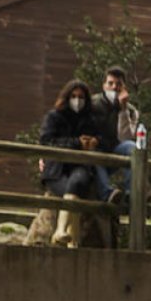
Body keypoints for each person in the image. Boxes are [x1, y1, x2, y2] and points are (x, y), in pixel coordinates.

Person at [40, 79, 100, 247]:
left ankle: (61, 232)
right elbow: (46, 141)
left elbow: (100, 140)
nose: (77, 100)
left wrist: (93, 142)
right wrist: (76, 143)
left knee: (77, 183)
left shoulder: (90, 120)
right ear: (67, 97)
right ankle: (71, 241)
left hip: (80, 167)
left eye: (81, 97)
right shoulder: (54, 117)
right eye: (73, 96)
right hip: (56, 170)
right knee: (71, 190)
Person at [89, 65, 140, 202]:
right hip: (94, 153)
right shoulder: (92, 104)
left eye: (118, 84)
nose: (114, 87)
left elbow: (125, 137)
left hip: (115, 151)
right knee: (94, 154)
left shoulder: (131, 111)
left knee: (132, 147)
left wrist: (123, 109)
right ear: (104, 85)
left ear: (124, 87)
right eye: (110, 83)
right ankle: (108, 194)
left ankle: (132, 193)